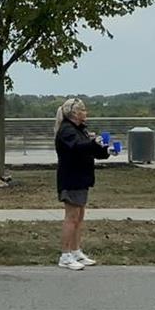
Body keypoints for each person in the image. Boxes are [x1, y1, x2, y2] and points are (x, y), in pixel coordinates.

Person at [53, 98, 112, 269]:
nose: (86, 113)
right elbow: (78, 147)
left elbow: (90, 150)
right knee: (71, 218)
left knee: (79, 217)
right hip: (71, 179)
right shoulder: (66, 131)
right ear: (74, 113)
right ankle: (65, 255)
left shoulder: (80, 130)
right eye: (83, 110)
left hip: (82, 178)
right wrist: (93, 142)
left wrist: (105, 149)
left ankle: (76, 251)